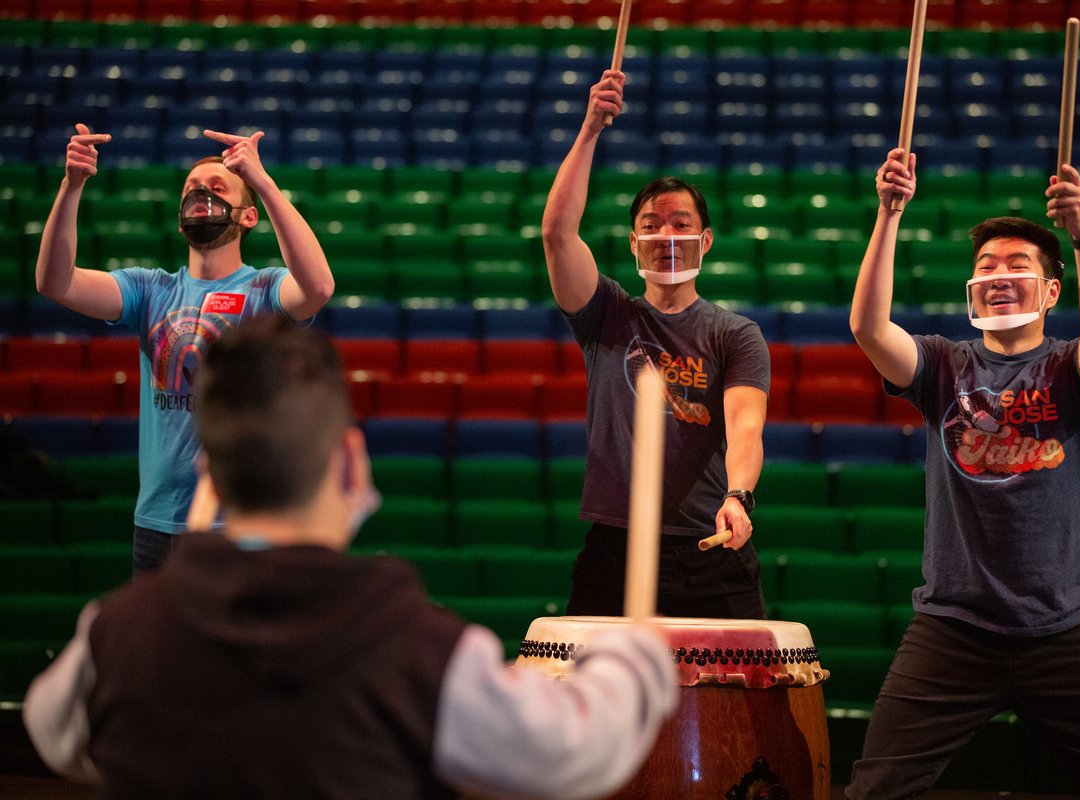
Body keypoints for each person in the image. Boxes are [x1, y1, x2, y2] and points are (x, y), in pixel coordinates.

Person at [22, 316, 679, 800]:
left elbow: (52, 732)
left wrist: (181, 580)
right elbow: (572, 750)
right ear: (349, 461)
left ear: (208, 479)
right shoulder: (419, 650)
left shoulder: (113, 634)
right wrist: (634, 652)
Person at [844, 147, 1080, 798]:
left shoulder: (1070, 369)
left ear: (1050, 290)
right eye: (987, 264)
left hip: (1061, 627)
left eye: (1018, 265)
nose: (998, 273)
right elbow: (869, 327)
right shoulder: (942, 365)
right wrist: (889, 213)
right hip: (953, 627)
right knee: (875, 791)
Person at [35, 124, 336, 573]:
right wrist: (71, 186)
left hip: (236, 524)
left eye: (218, 187)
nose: (203, 194)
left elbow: (318, 286)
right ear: (179, 217)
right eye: (193, 188)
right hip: (156, 525)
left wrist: (263, 183)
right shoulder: (150, 289)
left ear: (247, 216)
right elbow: (55, 282)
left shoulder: (263, 288)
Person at [542, 69, 771, 619]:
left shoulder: (735, 333)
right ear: (633, 242)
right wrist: (592, 126)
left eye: (680, 224)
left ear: (705, 240)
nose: (666, 236)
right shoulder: (607, 315)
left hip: (706, 545)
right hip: (615, 545)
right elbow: (556, 232)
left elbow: (745, 427)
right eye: (651, 224)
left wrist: (738, 495)